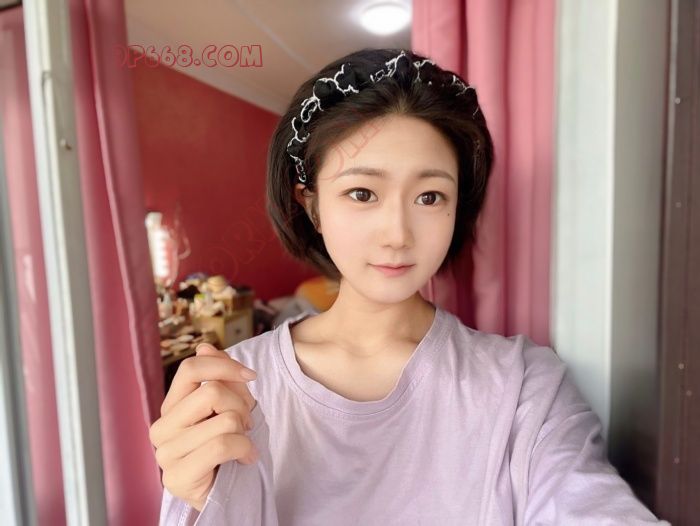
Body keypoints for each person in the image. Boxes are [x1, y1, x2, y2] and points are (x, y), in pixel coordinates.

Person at [150, 48, 670, 525]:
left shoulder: (524, 387)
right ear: (311, 204)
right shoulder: (234, 386)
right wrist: (194, 499)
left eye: (429, 197)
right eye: (362, 193)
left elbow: (588, 502)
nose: (397, 234)